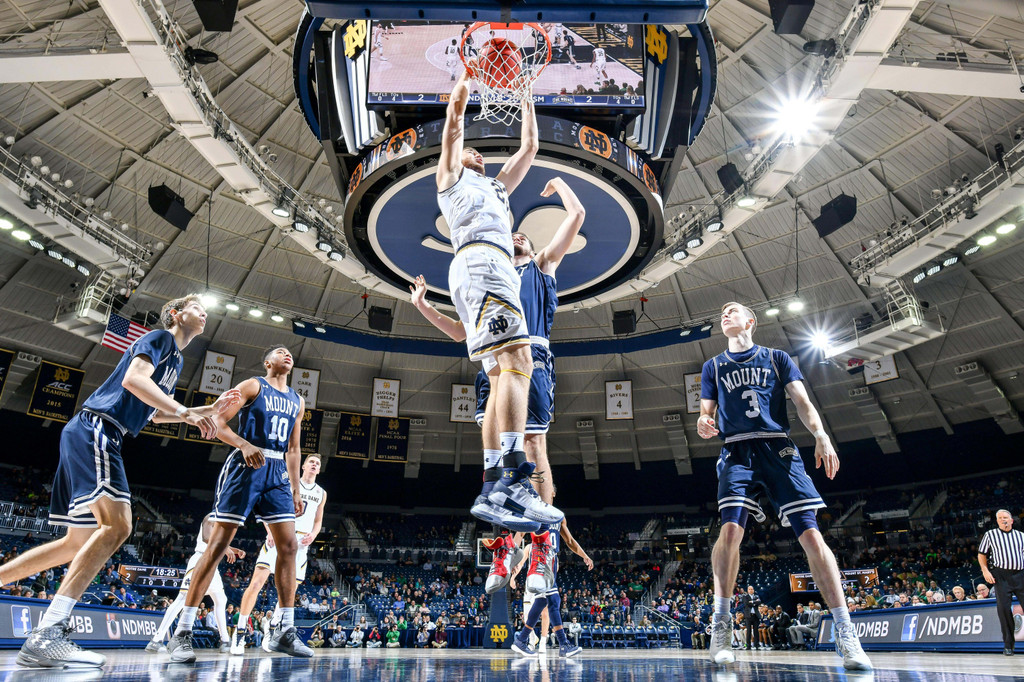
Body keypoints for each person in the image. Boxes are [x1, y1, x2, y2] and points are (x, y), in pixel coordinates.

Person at [1, 294, 239, 669]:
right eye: (196, 307)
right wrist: (186, 413)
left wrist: (205, 410)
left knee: (75, 543)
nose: (204, 313)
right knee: (119, 526)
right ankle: (48, 633)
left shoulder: (175, 359)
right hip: (99, 428)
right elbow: (133, 380)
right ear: (175, 314)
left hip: (92, 432)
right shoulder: (161, 339)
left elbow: (155, 415)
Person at [429, 62, 566, 532]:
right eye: (471, 152)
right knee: (519, 361)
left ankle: (493, 485)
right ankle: (510, 477)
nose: (478, 155)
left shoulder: (497, 188)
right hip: (483, 262)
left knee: (497, 370)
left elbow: (529, 147)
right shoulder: (451, 181)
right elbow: (453, 121)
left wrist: (524, 92)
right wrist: (469, 76)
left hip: (483, 269)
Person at [698, 302, 871, 671]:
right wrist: (702, 421)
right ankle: (722, 626)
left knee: (811, 535)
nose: (724, 315)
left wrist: (821, 435)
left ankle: (845, 631)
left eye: (732, 310)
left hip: (778, 447)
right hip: (736, 450)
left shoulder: (777, 358)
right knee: (729, 531)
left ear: (751, 321)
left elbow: (803, 401)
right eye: (721, 312)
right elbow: (705, 410)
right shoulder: (712, 366)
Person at [166, 345, 312, 663]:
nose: (287, 354)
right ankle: (182, 633)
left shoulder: (299, 401)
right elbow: (218, 421)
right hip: (246, 465)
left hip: (277, 473)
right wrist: (244, 444)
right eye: (280, 352)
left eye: (290, 353)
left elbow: (294, 448)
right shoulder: (252, 385)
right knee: (218, 545)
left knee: (289, 547)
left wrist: (297, 489)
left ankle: (284, 631)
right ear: (267, 362)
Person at [233, 453, 326, 654]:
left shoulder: (321, 493)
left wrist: (314, 534)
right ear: (303, 465)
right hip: (280, 536)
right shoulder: (288, 483)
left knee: (289, 592)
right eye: (311, 461)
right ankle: (239, 633)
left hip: (301, 544)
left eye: (317, 463)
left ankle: (272, 630)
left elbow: (318, 521)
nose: (314, 465)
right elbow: (268, 508)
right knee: (256, 583)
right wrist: (270, 531)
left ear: (319, 470)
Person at [146, 514, 245, 653]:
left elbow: (219, 542)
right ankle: (156, 639)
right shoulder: (211, 517)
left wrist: (234, 550)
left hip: (212, 564)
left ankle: (225, 641)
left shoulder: (222, 521)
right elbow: (206, 538)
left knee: (221, 599)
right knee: (182, 599)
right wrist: (226, 548)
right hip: (200, 560)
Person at [509, 506, 593, 658]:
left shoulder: (559, 516)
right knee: (554, 600)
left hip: (551, 562)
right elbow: (520, 533)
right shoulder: (533, 512)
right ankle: (563, 644)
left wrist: (584, 555)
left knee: (543, 602)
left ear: (553, 492)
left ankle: (522, 640)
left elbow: (570, 541)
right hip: (540, 561)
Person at [978, 509, 1024, 656]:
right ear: (996, 521)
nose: (1003, 520)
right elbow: (981, 554)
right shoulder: (990, 535)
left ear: (1011, 520)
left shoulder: (1021, 536)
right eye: (999, 518)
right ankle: (1008, 645)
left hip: (1021, 574)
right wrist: (985, 571)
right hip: (1001, 576)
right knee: (1003, 610)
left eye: (1005, 517)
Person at [740, 586, 761, 651]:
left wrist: (752, 602)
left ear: (753, 590)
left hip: (755, 615)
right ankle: (748, 645)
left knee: (756, 631)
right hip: (748, 616)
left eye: (752, 589)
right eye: (749, 589)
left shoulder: (756, 596)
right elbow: (747, 603)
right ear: (747, 590)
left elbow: (759, 602)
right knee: (748, 631)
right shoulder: (745, 596)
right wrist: (754, 602)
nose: (751, 590)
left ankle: (757, 645)